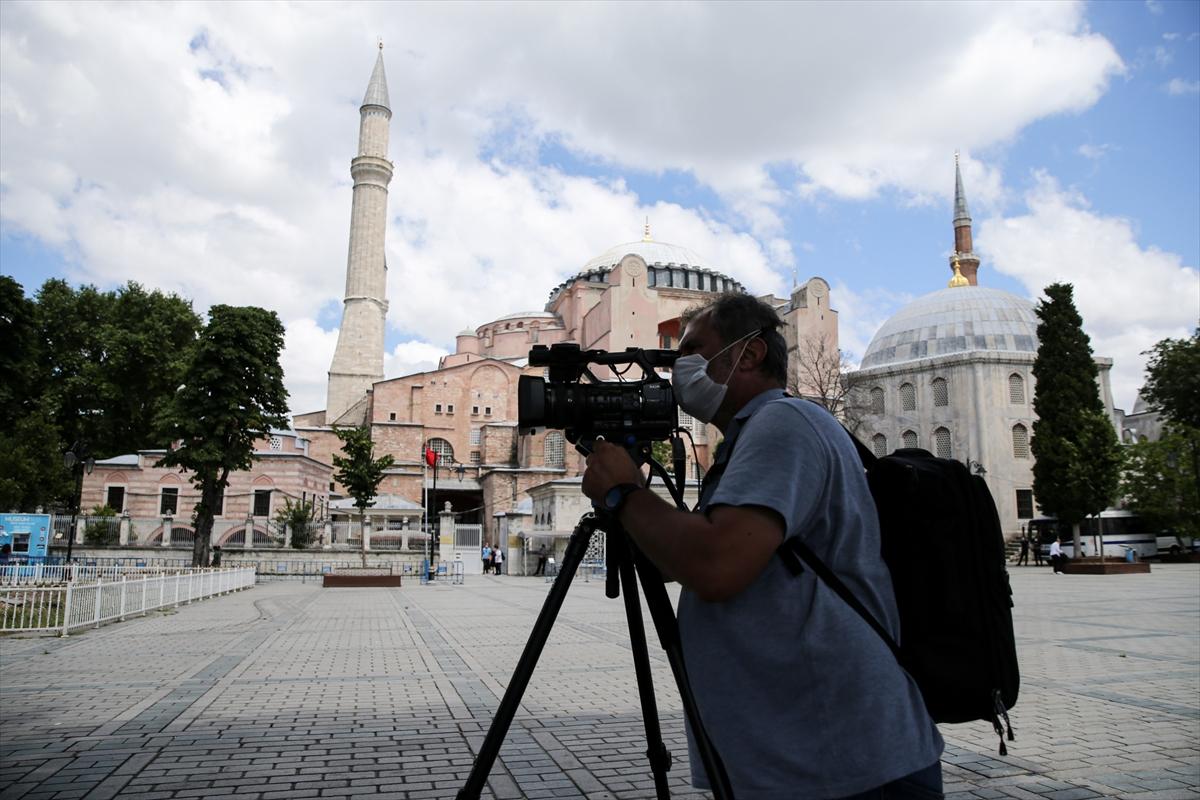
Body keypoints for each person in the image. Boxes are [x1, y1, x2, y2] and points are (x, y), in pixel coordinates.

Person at [582, 292, 944, 799]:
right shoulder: (752, 437)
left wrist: (624, 492)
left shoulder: (784, 425)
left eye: (694, 350)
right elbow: (693, 559)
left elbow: (716, 566)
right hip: (803, 757)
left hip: (841, 763)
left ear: (747, 354)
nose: (681, 367)